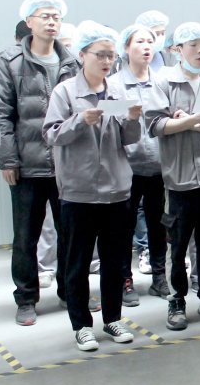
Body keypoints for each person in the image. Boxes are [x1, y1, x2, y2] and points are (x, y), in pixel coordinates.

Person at [43, 21, 142, 352]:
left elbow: (130, 139)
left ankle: (113, 318)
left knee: (114, 261)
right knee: (78, 262)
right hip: (79, 192)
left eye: (111, 56)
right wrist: (79, 121)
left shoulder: (118, 92)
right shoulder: (65, 92)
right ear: (82, 55)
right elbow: (51, 134)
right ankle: (82, 325)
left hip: (116, 190)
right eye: (100, 54)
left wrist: (132, 120)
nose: (107, 61)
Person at [0, 0, 80, 326]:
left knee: (71, 234)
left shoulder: (72, 62)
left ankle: (71, 292)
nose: (52, 22)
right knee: (26, 237)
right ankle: (26, 298)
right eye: (44, 16)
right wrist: (8, 160)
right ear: (29, 22)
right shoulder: (9, 61)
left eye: (56, 17)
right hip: (28, 165)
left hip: (67, 166)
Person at [144, 22, 200, 329]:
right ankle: (176, 300)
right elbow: (156, 125)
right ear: (177, 49)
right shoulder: (163, 81)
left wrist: (191, 122)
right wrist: (193, 121)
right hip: (179, 178)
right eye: (193, 45)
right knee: (179, 243)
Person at [109, 24, 168, 305]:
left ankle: (159, 276)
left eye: (150, 42)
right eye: (140, 42)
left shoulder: (162, 82)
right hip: (126, 168)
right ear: (126, 47)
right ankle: (124, 279)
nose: (146, 47)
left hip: (158, 166)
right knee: (124, 227)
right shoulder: (114, 85)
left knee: (158, 224)